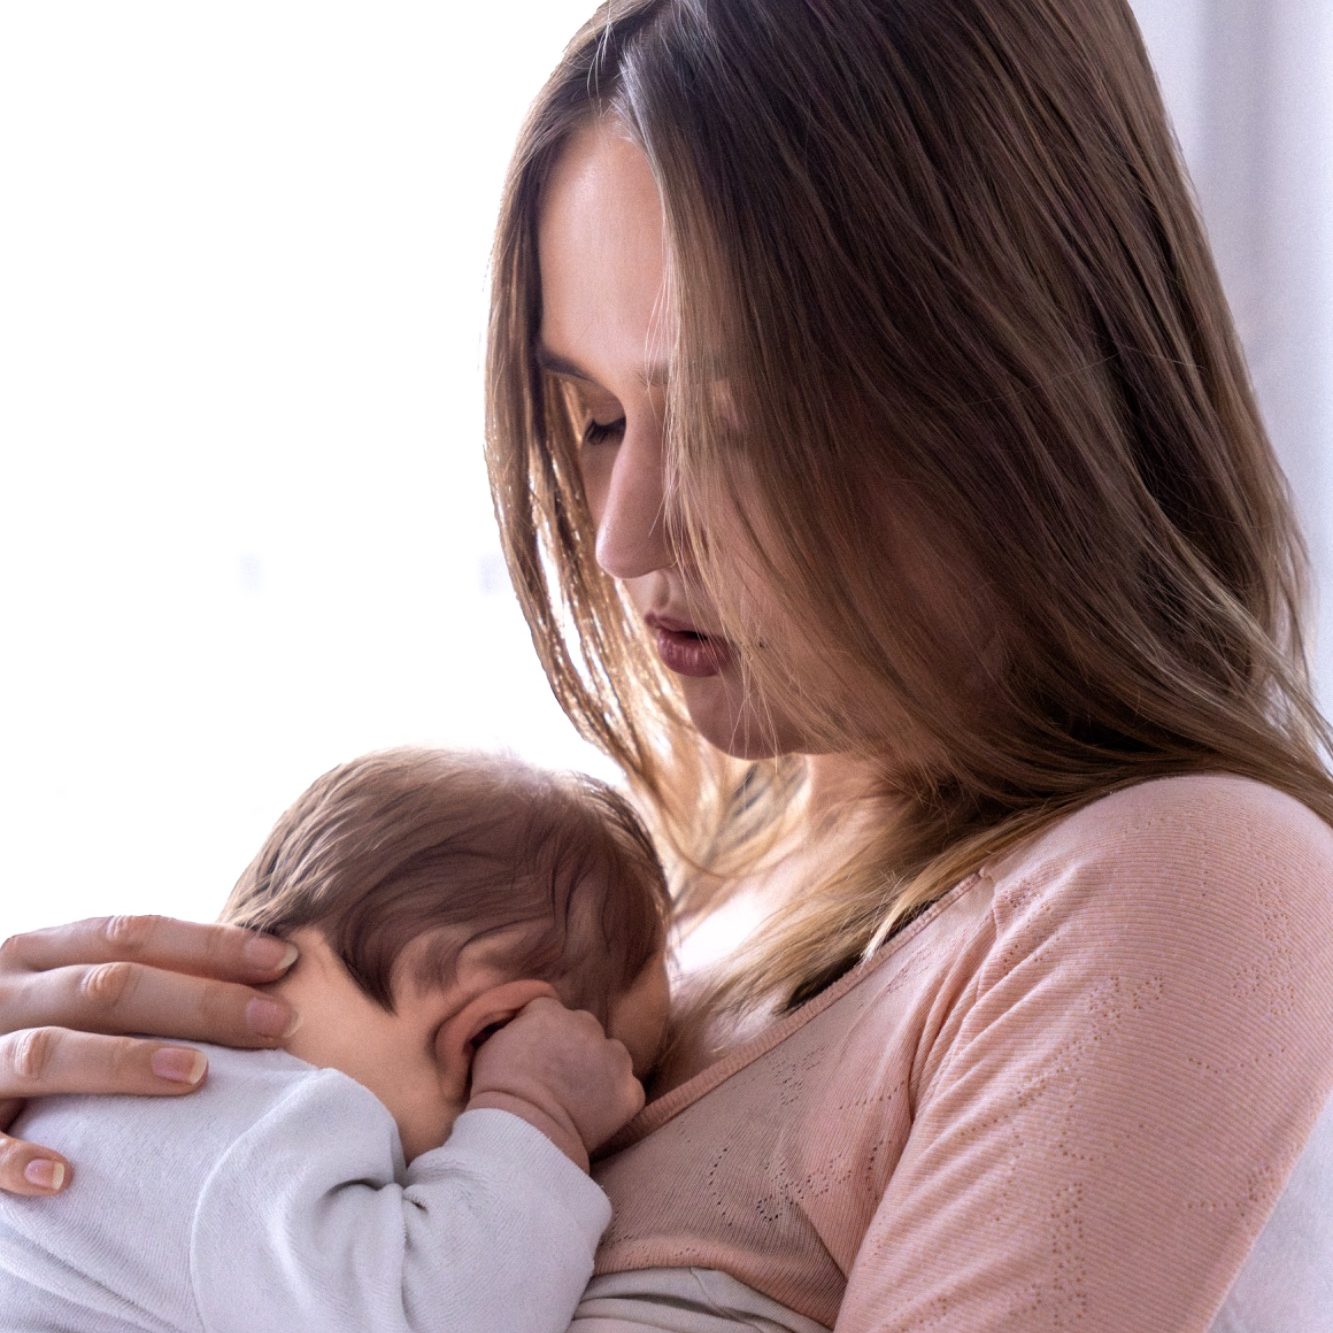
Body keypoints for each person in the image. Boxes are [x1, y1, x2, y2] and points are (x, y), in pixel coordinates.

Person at [2, 0, 1332, 1328]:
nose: (623, 532)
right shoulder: (664, 913)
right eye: (589, 417)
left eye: (740, 427)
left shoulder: (1185, 881)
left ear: (1020, 386)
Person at [0, 747, 671, 1331]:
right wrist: (538, 1109)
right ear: (488, 1034)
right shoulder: (262, 1130)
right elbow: (447, 1316)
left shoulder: (155, 1087)